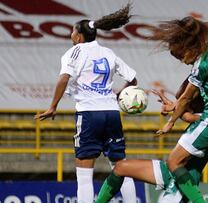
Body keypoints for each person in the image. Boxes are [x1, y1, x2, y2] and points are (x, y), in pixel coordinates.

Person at [95, 16, 208, 203]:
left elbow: (186, 97)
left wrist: (171, 121)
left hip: (179, 186)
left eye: (181, 56)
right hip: (173, 173)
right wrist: (177, 106)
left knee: (174, 161)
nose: (183, 61)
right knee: (120, 168)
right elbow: (186, 103)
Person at [34, 3, 138, 203]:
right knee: (121, 167)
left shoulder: (75, 52)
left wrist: (53, 106)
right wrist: (118, 96)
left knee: (84, 175)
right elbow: (133, 79)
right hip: (111, 112)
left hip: (90, 114)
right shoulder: (109, 53)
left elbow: (64, 78)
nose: (71, 35)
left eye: (73, 31)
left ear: (79, 36)